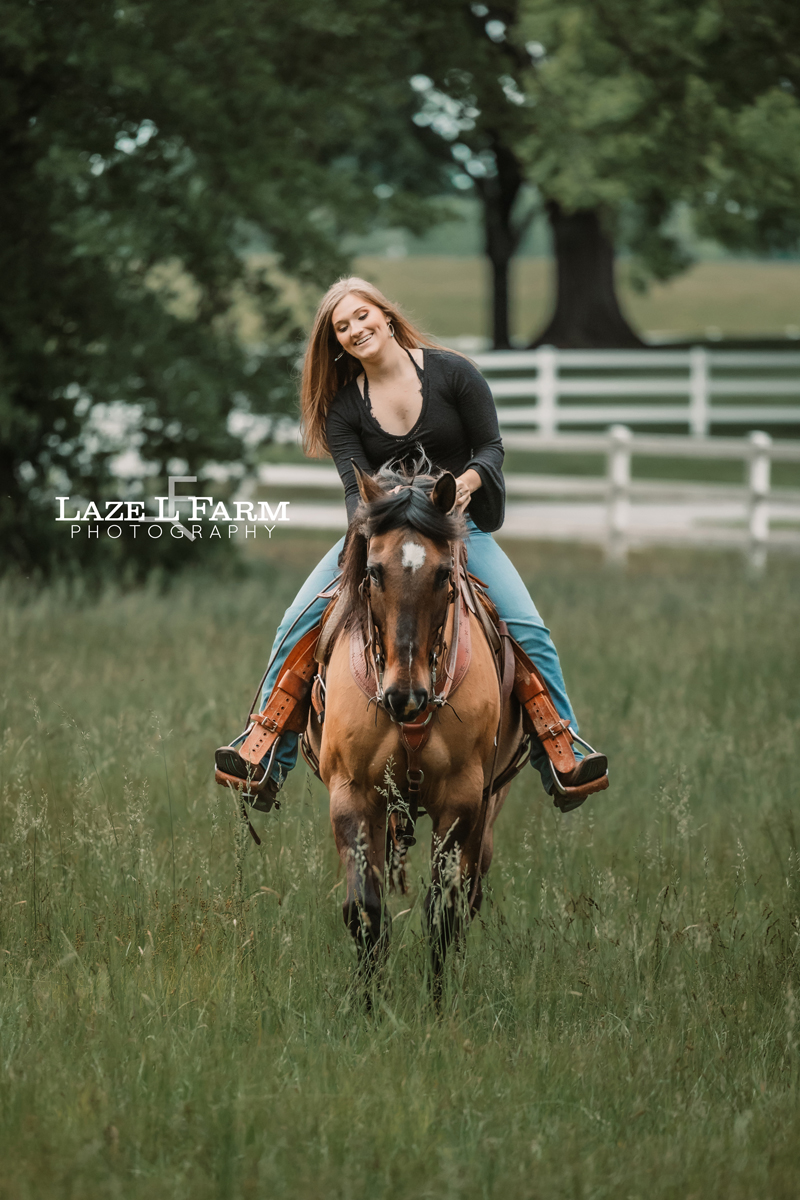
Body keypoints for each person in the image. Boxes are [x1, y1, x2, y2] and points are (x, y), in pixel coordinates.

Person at [215, 277, 607, 812]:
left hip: (456, 531)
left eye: (362, 315)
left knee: (529, 629)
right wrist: (373, 537)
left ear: (385, 313)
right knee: (294, 623)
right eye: (342, 327)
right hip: (380, 539)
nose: (356, 329)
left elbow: (491, 447)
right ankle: (265, 758)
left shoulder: (454, 374)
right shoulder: (344, 409)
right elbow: (354, 493)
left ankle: (562, 754)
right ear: (336, 343)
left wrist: (468, 481)